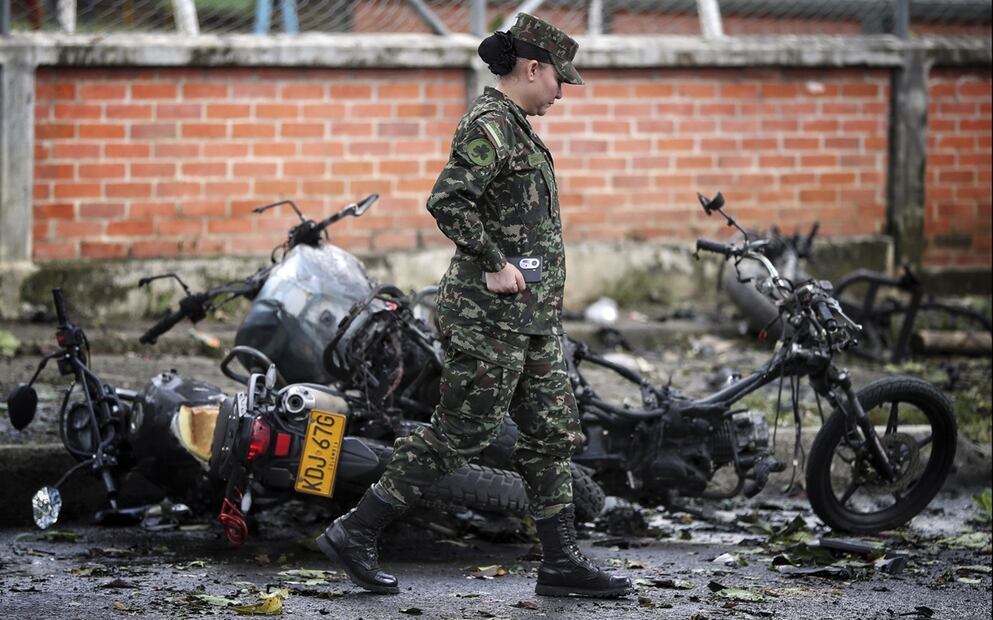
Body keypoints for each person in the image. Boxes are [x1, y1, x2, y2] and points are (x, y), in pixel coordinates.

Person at [316, 13, 632, 599]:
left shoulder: (517, 126)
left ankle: (561, 563)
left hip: (529, 318)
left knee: (552, 432)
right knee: (461, 431)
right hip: (489, 319)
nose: (563, 91)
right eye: (560, 78)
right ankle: (355, 532)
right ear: (532, 68)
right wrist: (492, 263)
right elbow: (448, 200)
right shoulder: (490, 124)